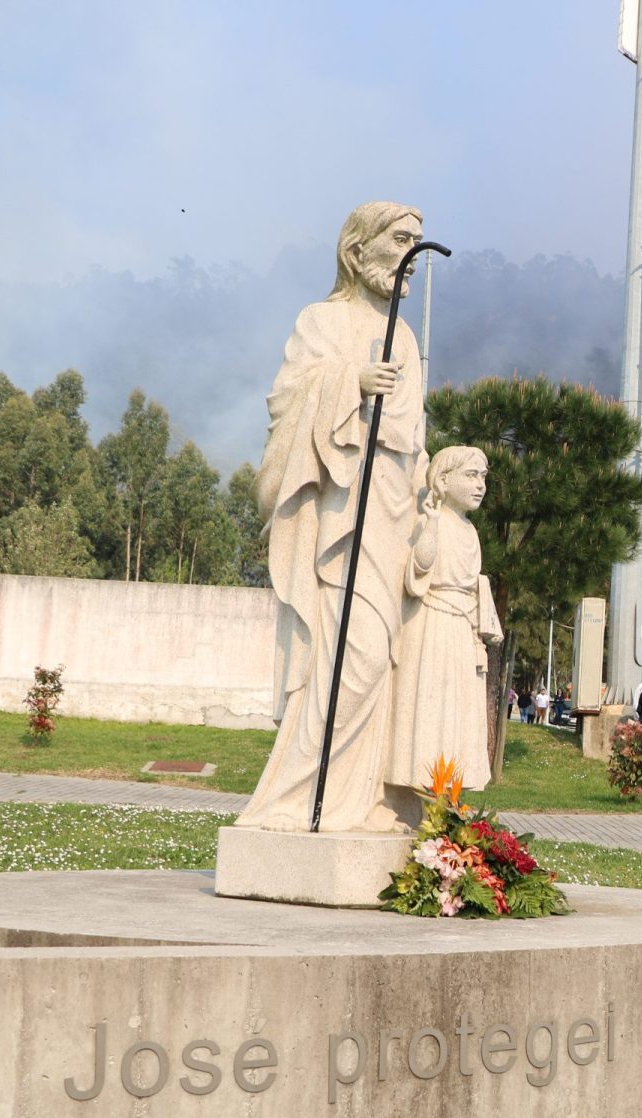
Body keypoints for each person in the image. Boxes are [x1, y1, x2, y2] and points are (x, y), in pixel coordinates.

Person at [237, 201, 428, 833]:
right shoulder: (321, 321)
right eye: (400, 240)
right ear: (358, 250)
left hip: (392, 512)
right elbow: (287, 401)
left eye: (417, 243)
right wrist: (350, 382)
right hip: (341, 512)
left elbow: (412, 438)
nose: (412, 258)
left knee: (381, 662)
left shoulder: (406, 336)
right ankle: (293, 799)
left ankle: (362, 798)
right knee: (350, 655)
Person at [386, 446, 503, 795]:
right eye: (471, 475)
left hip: (462, 630)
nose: (480, 485)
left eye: (483, 477)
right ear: (443, 479)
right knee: (432, 709)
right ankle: (426, 791)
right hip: (433, 625)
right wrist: (433, 522)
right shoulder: (429, 520)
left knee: (459, 713)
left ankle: (450, 796)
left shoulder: (470, 531)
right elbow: (419, 570)